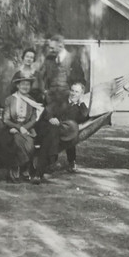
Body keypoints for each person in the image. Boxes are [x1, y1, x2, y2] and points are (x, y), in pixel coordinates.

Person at [39, 34, 86, 171]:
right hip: (52, 100)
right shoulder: (49, 59)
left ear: (61, 45)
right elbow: (43, 77)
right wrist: (45, 92)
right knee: (51, 127)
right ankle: (51, 161)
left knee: (67, 128)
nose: (50, 50)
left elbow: (81, 79)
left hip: (67, 100)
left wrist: (77, 96)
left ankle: (71, 161)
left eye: (53, 47)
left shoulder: (72, 59)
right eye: (50, 47)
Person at [32, 82, 89, 184]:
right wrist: (51, 118)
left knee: (54, 136)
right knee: (51, 134)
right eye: (72, 90)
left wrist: (81, 102)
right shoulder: (60, 101)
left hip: (59, 132)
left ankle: (39, 173)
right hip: (45, 127)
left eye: (77, 92)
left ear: (81, 94)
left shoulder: (79, 108)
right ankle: (44, 167)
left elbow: (85, 116)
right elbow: (47, 111)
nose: (73, 93)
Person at [3, 74, 39, 181]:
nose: (25, 87)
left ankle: (22, 167)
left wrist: (25, 128)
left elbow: (34, 119)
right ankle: (17, 168)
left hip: (28, 130)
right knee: (17, 141)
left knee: (30, 145)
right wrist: (18, 128)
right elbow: (6, 119)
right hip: (12, 128)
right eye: (23, 84)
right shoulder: (10, 99)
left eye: (28, 84)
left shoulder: (32, 101)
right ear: (18, 86)